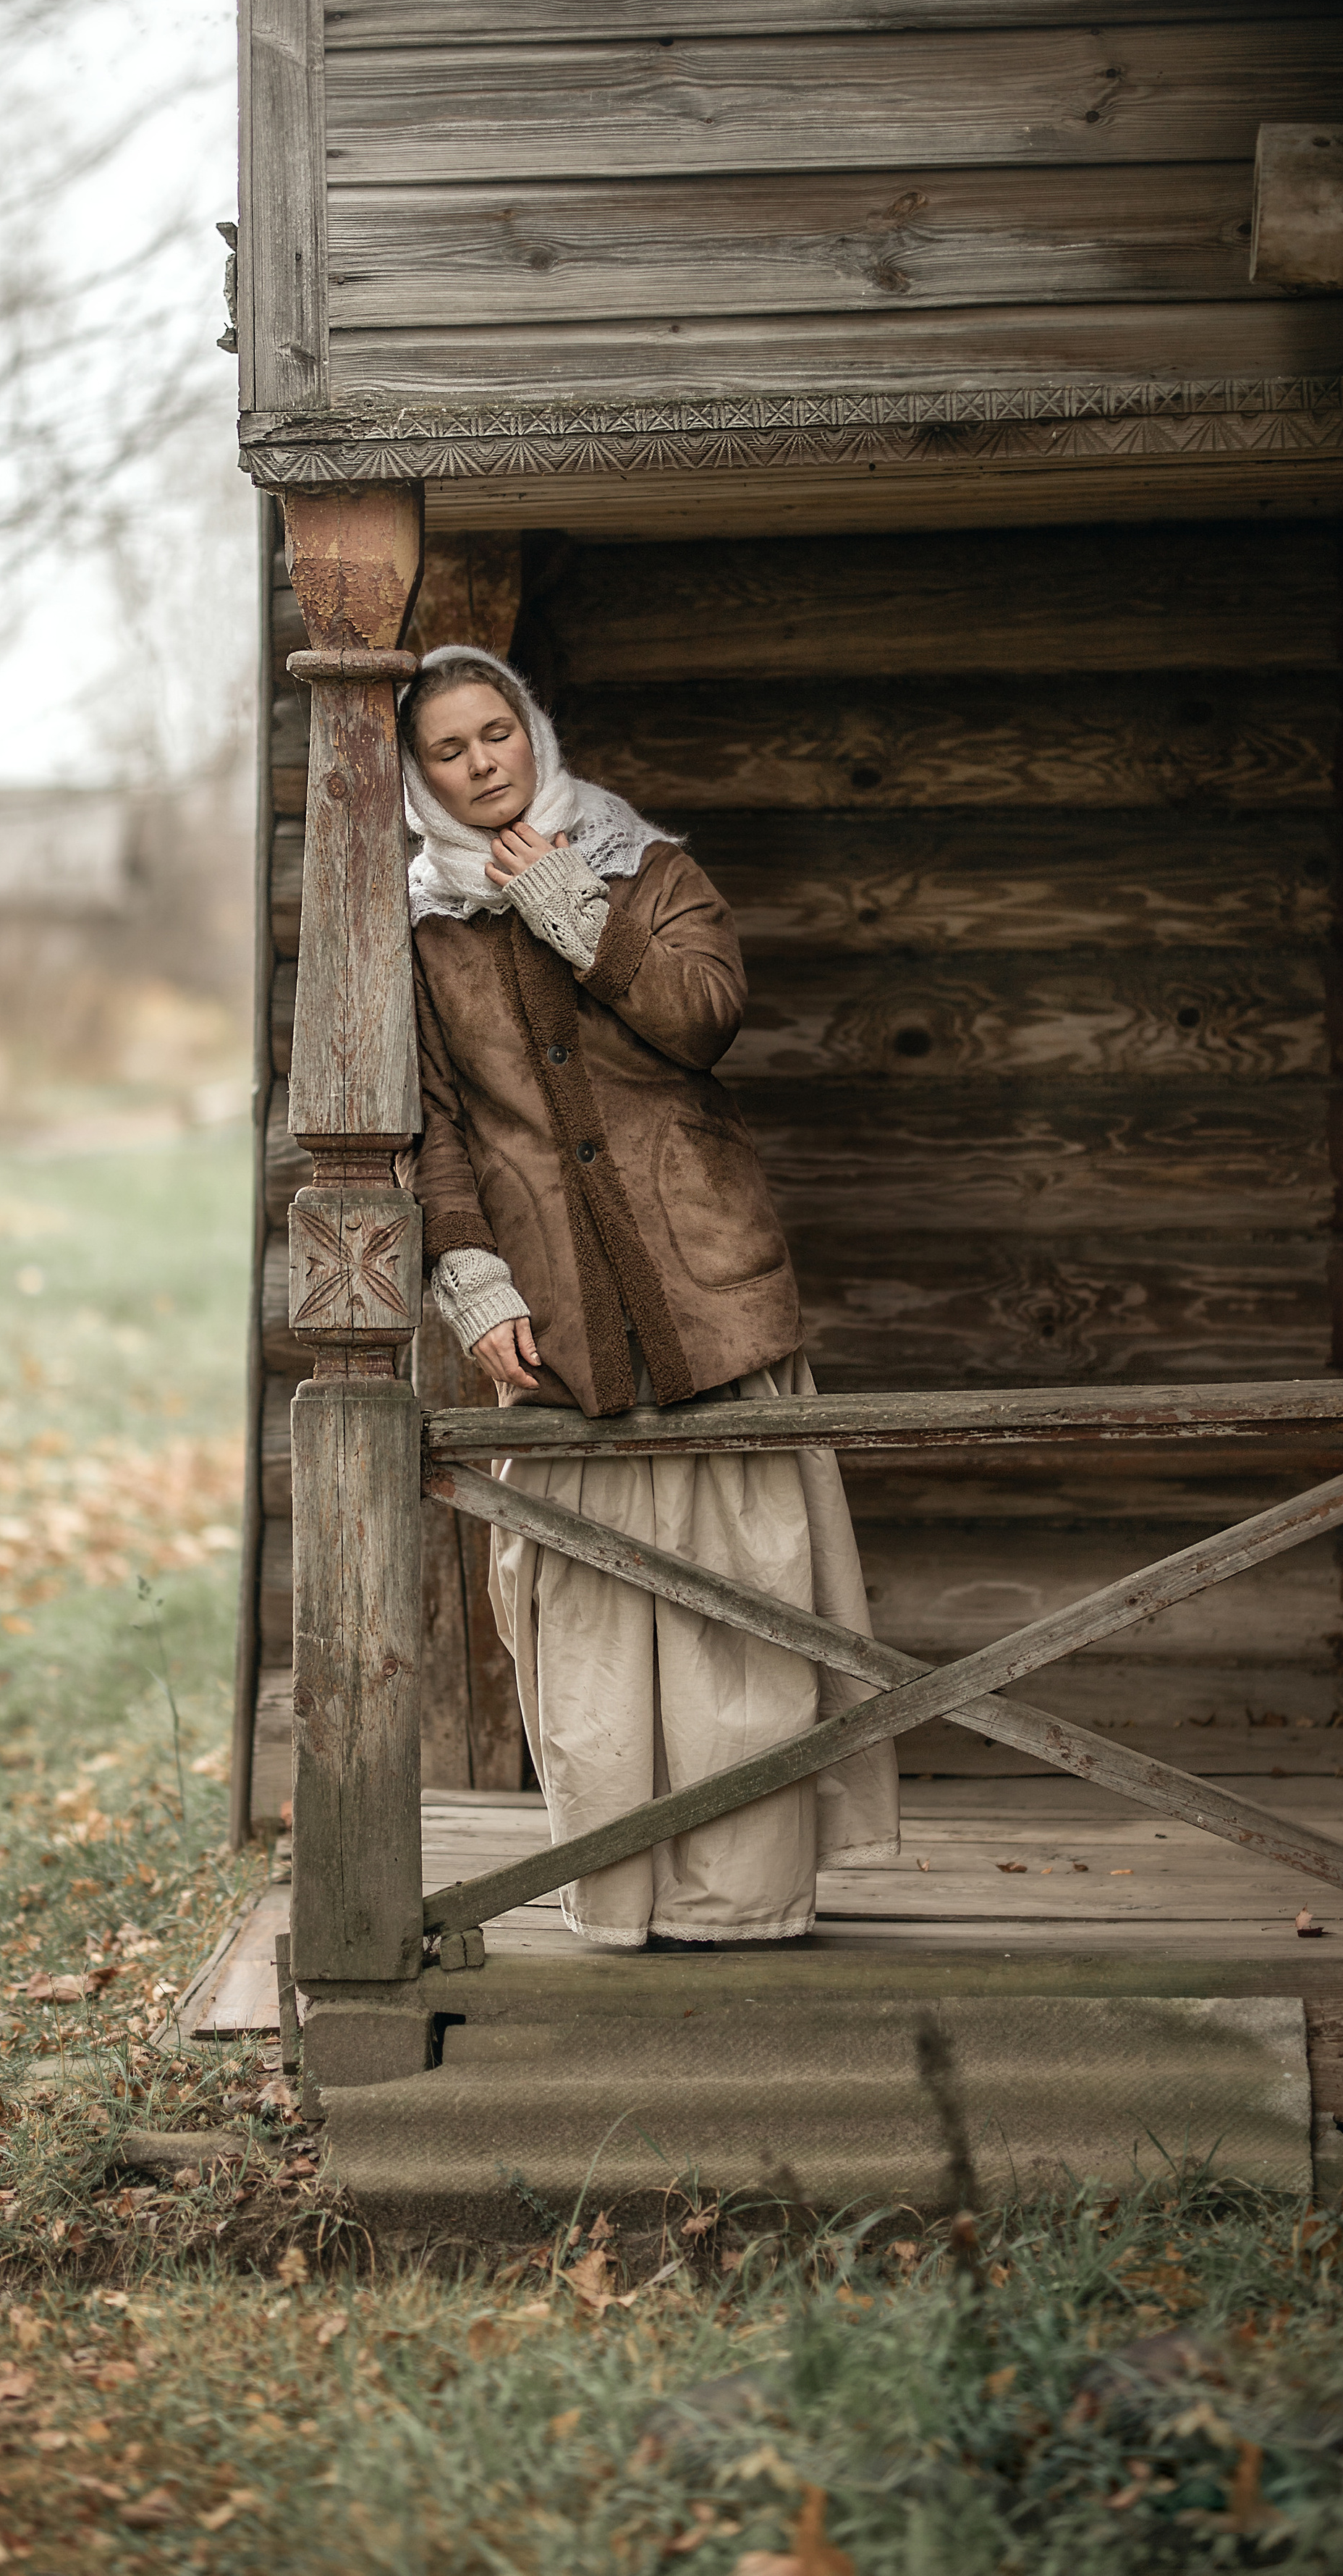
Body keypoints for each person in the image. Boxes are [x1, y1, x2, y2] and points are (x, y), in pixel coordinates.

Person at [399, 644, 899, 1949]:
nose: (480, 764)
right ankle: (620, 1892)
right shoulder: (422, 931)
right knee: (590, 1641)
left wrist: (570, 901)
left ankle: (741, 1904)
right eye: (448, 752)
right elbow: (438, 1128)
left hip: (704, 1291)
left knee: (743, 1622)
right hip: (557, 1321)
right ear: (420, 778)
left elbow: (703, 1016)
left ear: (532, 730)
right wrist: (471, 1282)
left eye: (494, 733)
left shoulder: (650, 869)